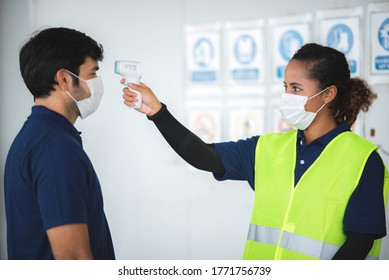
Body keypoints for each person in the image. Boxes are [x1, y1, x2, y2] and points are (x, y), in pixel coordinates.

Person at [121, 43, 389, 260]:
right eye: (285, 87)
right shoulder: (268, 148)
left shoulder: (363, 159)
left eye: (296, 88)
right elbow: (204, 157)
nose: (287, 95)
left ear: (328, 94)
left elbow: (360, 243)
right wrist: (157, 112)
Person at [4, 27, 115, 260]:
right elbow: (73, 257)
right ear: (64, 79)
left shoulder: (40, 136)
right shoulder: (53, 148)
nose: (97, 83)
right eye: (92, 74)